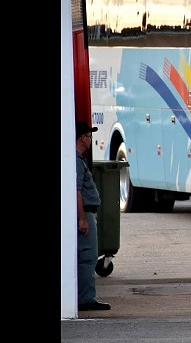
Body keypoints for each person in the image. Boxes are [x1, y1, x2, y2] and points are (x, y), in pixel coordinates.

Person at [75, 121, 111, 311]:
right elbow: (77, 192)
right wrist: (82, 219)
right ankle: (85, 299)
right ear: (82, 138)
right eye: (89, 136)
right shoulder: (76, 161)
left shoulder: (77, 159)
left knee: (86, 256)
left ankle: (84, 296)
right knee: (88, 257)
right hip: (85, 214)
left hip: (87, 213)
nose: (90, 139)